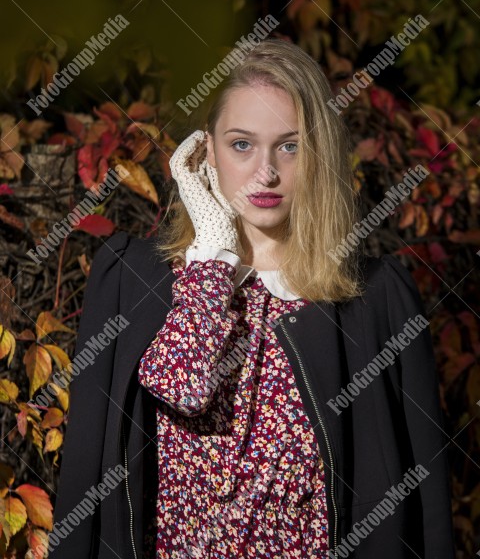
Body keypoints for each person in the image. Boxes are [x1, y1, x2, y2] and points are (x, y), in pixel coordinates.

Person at [48, 39, 455, 558]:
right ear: (204, 149)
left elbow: (428, 514)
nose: (266, 172)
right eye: (241, 144)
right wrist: (214, 253)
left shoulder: (378, 301)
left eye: (289, 146)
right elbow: (182, 390)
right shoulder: (133, 281)